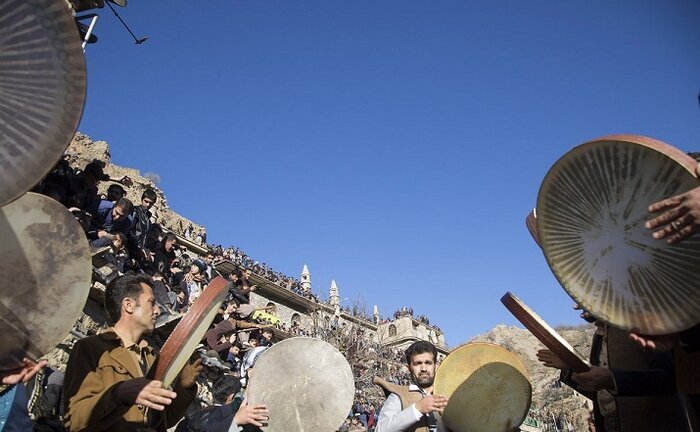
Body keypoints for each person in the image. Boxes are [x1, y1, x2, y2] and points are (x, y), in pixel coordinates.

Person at [63, 274, 202, 431]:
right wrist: (118, 395)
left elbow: (163, 421)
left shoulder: (150, 357)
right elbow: (74, 419)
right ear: (128, 305)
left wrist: (183, 388)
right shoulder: (91, 348)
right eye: (151, 303)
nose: (157, 311)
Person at [536, 305, 687, 432]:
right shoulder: (600, 336)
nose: (578, 304)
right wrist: (569, 366)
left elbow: (668, 379)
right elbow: (602, 392)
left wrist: (613, 379)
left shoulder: (639, 323)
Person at [375, 341, 447, 432]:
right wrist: (418, 408)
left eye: (428, 363)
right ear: (409, 368)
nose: (423, 369)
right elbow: (380, 429)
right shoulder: (398, 396)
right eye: (418, 363)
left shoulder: (449, 392)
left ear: (436, 365)